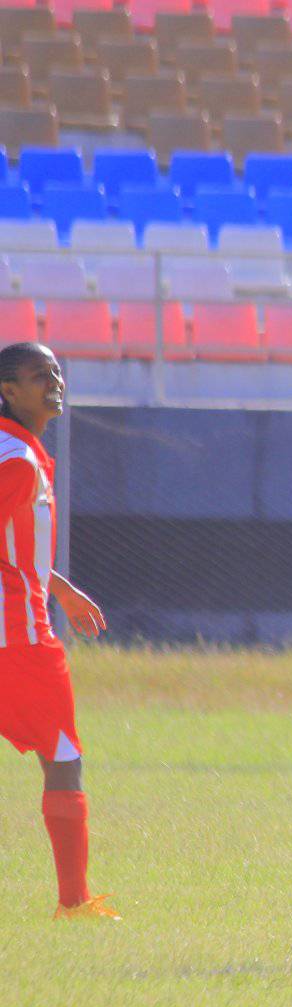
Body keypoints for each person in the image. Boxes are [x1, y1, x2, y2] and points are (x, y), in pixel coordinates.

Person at [0, 343, 112, 920]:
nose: (55, 382)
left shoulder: (17, 451)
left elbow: (12, 543)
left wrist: (59, 588)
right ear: (9, 391)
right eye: (40, 375)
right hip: (19, 641)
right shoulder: (16, 458)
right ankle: (74, 901)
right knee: (63, 757)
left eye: (57, 372)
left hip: (24, 626)